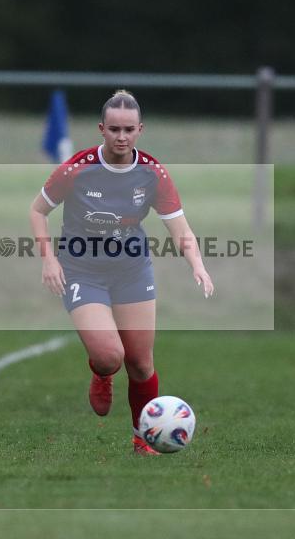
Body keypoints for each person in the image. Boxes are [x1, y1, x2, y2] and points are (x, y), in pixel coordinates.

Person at [29, 90, 214, 456]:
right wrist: (49, 259)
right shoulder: (78, 168)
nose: (121, 136)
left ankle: (142, 440)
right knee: (110, 356)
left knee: (141, 363)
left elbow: (179, 228)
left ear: (140, 130)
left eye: (129, 129)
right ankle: (101, 372)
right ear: (102, 129)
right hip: (82, 270)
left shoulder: (152, 173)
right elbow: (37, 211)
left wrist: (197, 264)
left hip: (131, 270)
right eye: (114, 128)